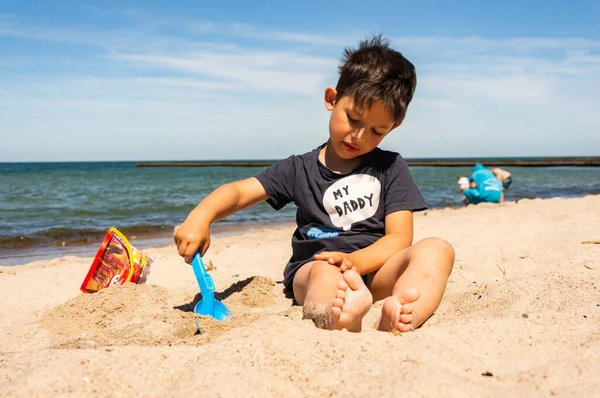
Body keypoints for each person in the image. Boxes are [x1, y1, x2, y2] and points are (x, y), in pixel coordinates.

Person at [174, 35, 455, 334]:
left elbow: (399, 238)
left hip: (374, 270)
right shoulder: (299, 169)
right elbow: (241, 191)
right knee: (325, 273)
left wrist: (357, 262)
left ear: (393, 127)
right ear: (332, 99)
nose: (359, 136)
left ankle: (402, 312)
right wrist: (201, 216)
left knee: (438, 249)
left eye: (376, 130)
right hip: (313, 268)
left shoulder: (390, 166)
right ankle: (342, 318)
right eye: (353, 119)